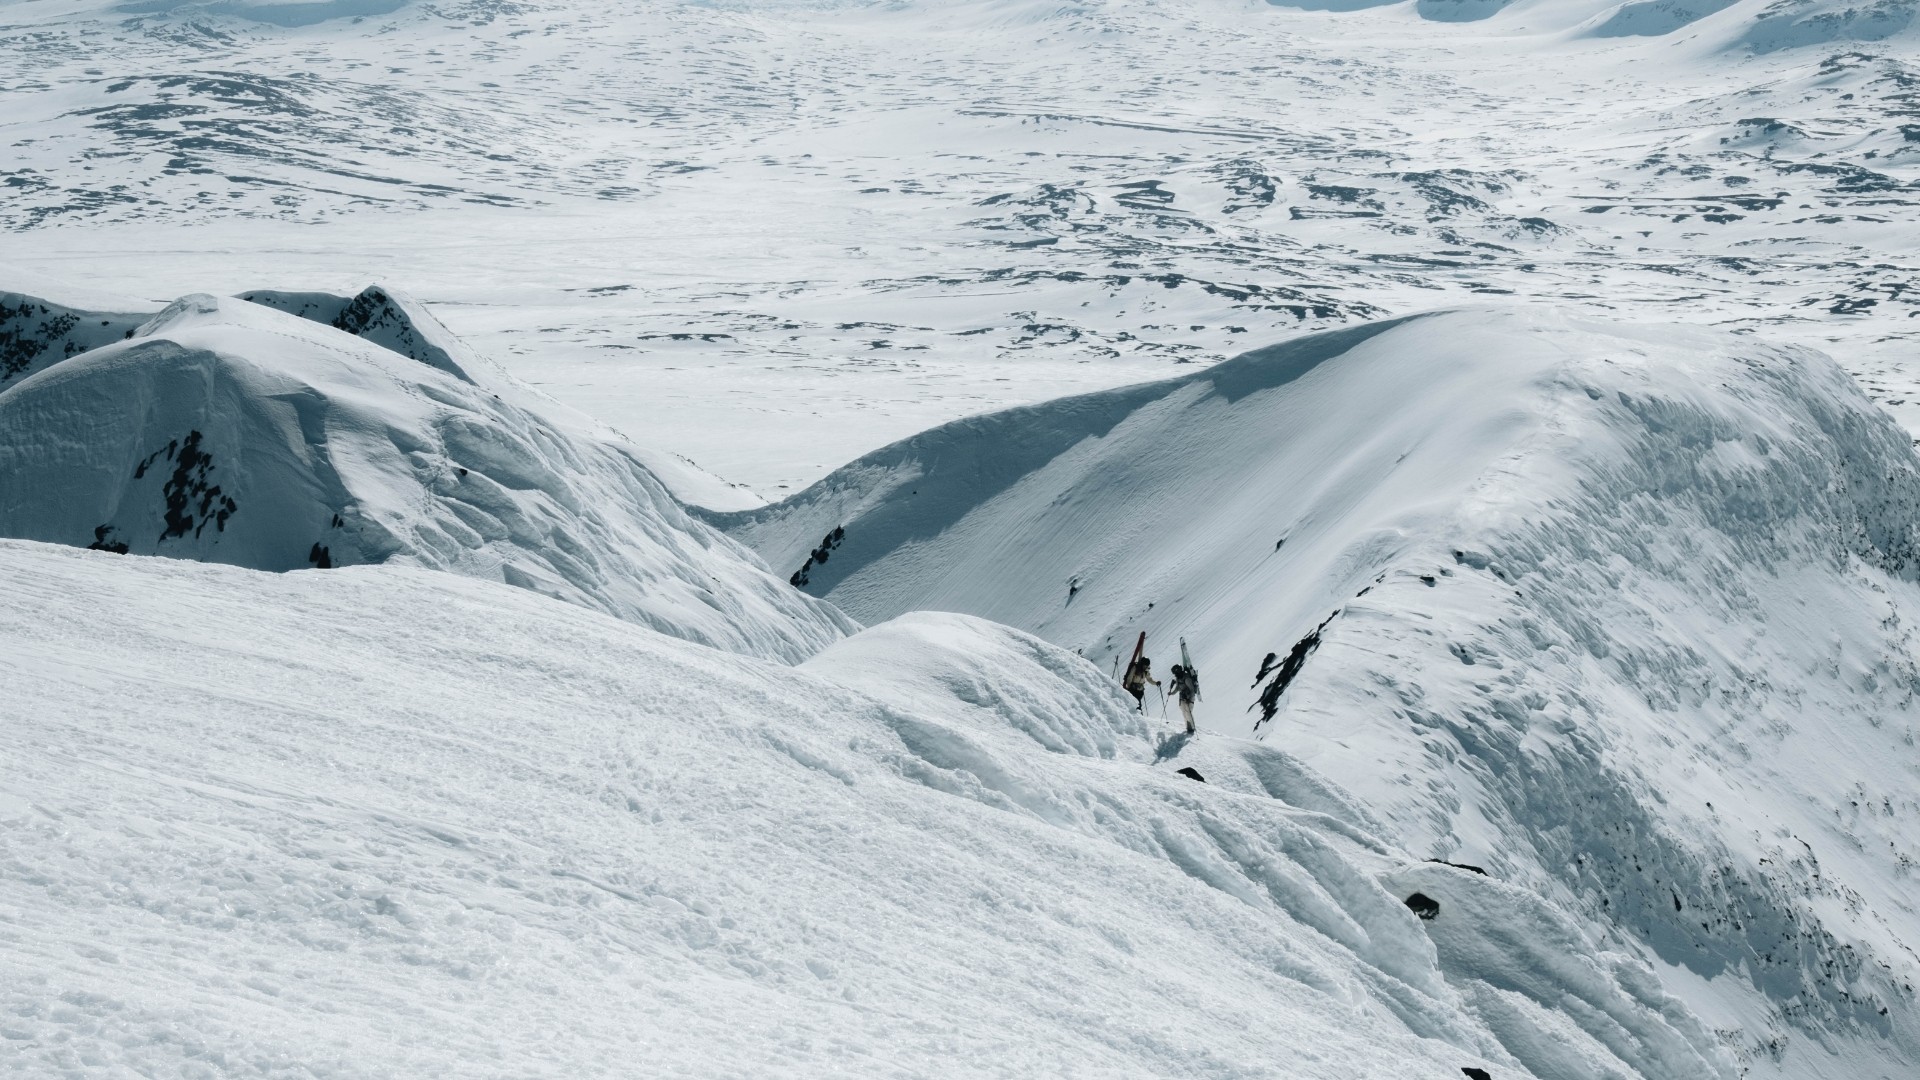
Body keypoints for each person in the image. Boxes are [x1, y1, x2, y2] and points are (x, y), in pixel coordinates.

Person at [1169, 662, 1200, 733]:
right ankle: (1188, 727)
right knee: (1184, 712)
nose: (1175, 675)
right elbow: (1177, 687)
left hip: (1189, 697)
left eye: (1175, 673)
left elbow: (1192, 689)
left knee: (1188, 712)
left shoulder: (1186, 678)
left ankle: (1192, 728)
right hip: (1183, 697)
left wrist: (1189, 698)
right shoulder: (1178, 678)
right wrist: (1172, 693)